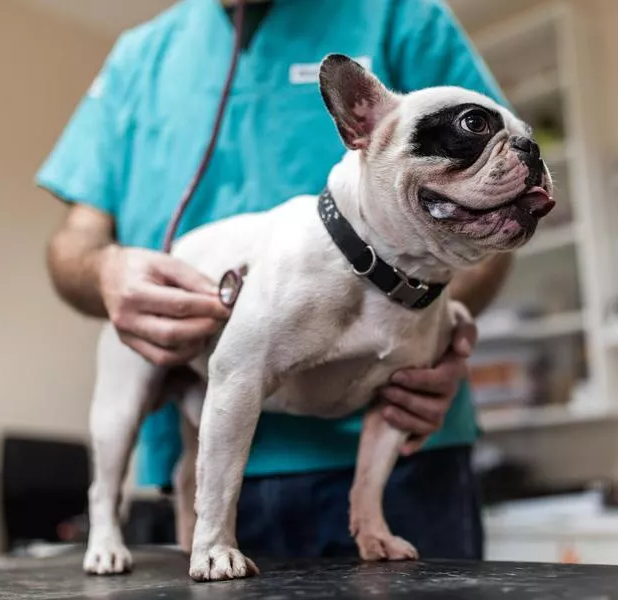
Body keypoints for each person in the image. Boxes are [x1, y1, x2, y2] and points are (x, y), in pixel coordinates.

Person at [38, 0, 512, 560]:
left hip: (403, 455)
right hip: (210, 454)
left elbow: (493, 192)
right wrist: (107, 271)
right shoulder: (137, 61)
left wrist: (433, 330)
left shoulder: (400, 15)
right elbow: (75, 245)